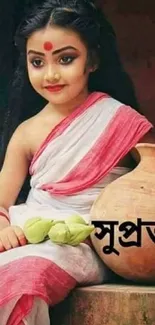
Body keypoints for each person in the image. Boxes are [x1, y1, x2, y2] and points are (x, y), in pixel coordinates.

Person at [0, 0, 153, 324]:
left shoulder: (122, 122)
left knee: (28, 273)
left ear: (92, 60)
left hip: (91, 243)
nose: (51, 74)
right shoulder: (26, 133)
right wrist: (3, 229)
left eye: (66, 59)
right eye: (37, 62)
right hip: (28, 235)